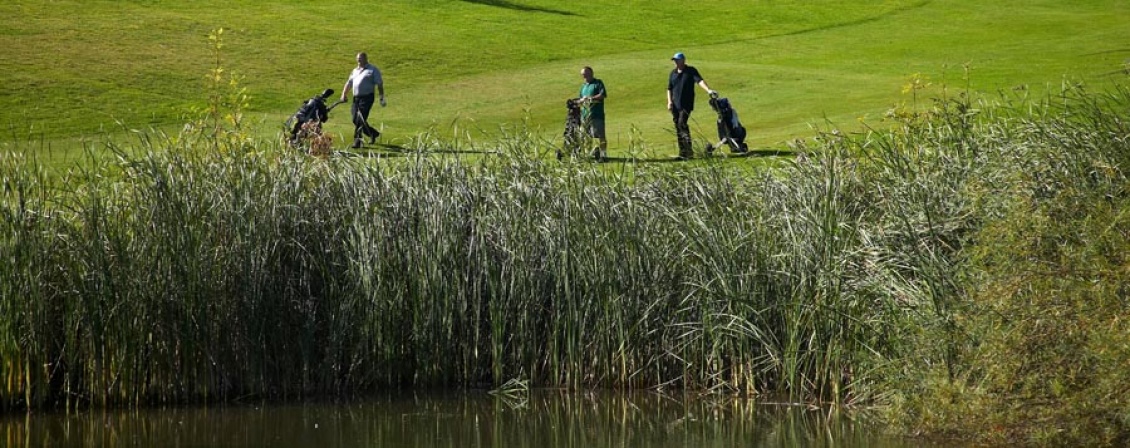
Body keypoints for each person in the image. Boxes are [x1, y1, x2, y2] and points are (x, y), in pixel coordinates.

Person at [666, 52, 716, 160]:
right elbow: (669, 89)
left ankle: (688, 151)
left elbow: (699, 81)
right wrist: (669, 102)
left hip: (686, 104)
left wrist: (708, 90)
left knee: (682, 124)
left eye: (677, 60)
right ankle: (683, 152)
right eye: (674, 61)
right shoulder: (673, 73)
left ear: (683, 60)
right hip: (675, 105)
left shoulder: (690, 71)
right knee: (678, 127)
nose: (675, 62)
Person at [341, 52, 385, 149]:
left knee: (360, 118)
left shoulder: (372, 70)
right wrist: (344, 94)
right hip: (356, 98)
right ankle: (373, 133)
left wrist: (381, 97)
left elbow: (379, 84)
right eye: (357, 58)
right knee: (355, 119)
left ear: (365, 59)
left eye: (360, 58)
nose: (358, 60)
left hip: (367, 97)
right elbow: (349, 83)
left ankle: (357, 141)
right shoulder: (355, 71)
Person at [578, 66, 608, 161]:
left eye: (586, 74)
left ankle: (603, 155)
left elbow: (602, 95)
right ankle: (588, 154)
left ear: (591, 73)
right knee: (585, 136)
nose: (584, 76)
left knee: (600, 135)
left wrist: (591, 98)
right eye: (583, 74)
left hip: (596, 114)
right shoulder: (583, 86)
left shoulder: (598, 83)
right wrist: (580, 101)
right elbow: (580, 99)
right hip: (585, 115)